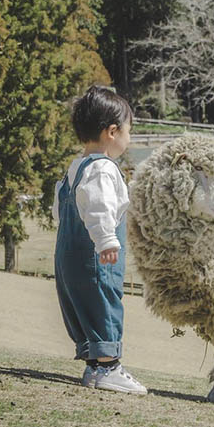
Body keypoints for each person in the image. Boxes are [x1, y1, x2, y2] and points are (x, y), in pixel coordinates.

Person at [52, 84, 147, 394]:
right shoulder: (104, 169)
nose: (129, 139)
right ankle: (108, 367)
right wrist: (106, 241)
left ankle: (94, 367)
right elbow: (100, 207)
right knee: (106, 302)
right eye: (128, 131)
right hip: (96, 255)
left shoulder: (76, 167)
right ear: (112, 132)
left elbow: (61, 208)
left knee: (84, 306)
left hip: (69, 252)